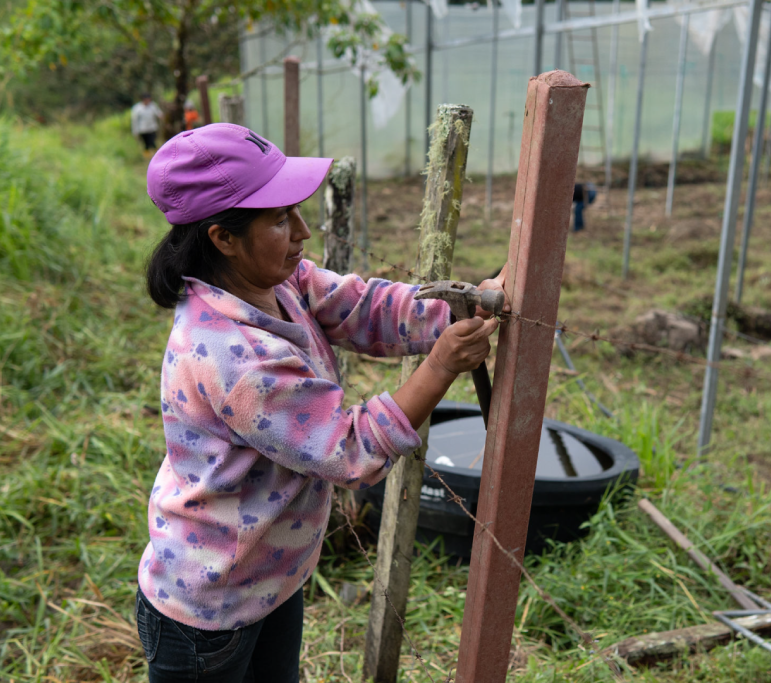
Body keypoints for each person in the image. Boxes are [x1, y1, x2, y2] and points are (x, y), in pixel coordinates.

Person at [136, 123, 506, 682]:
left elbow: (360, 306)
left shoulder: (278, 282)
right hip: (209, 610)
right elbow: (349, 449)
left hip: (271, 576)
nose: (303, 232)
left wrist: (458, 308)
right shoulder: (232, 357)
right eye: (281, 219)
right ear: (223, 238)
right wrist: (443, 364)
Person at [131, 93, 164, 158]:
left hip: (152, 128)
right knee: (146, 143)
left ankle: (157, 155)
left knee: (152, 141)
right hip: (143, 129)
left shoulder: (153, 106)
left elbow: (158, 113)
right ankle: (148, 156)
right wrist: (135, 131)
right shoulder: (137, 108)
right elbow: (134, 121)